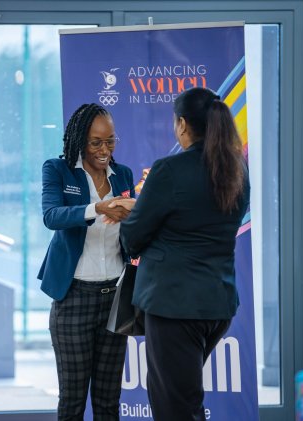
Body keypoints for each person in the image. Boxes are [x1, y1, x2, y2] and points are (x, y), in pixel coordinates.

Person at [118, 87, 251, 420]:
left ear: (181, 124)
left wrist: (135, 214)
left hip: (175, 307)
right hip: (216, 304)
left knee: (175, 407)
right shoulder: (237, 170)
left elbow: (133, 238)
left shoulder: (169, 170)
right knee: (183, 400)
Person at [37, 103, 136, 420]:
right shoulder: (58, 169)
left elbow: (130, 236)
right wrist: (98, 209)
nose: (105, 150)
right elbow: (52, 216)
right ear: (80, 141)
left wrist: (134, 216)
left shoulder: (123, 175)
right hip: (74, 298)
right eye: (96, 143)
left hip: (115, 299)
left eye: (110, 141)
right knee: (73, 401)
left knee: (108, 402)